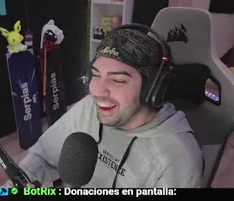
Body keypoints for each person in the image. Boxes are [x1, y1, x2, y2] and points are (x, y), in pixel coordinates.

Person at [14, 24, 203, 188]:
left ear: (154, 90)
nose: (97, 91)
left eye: (118, 80)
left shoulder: (178, 159)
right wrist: (15, 189)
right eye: (95, 75)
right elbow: (42, 157)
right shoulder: (88, 108)